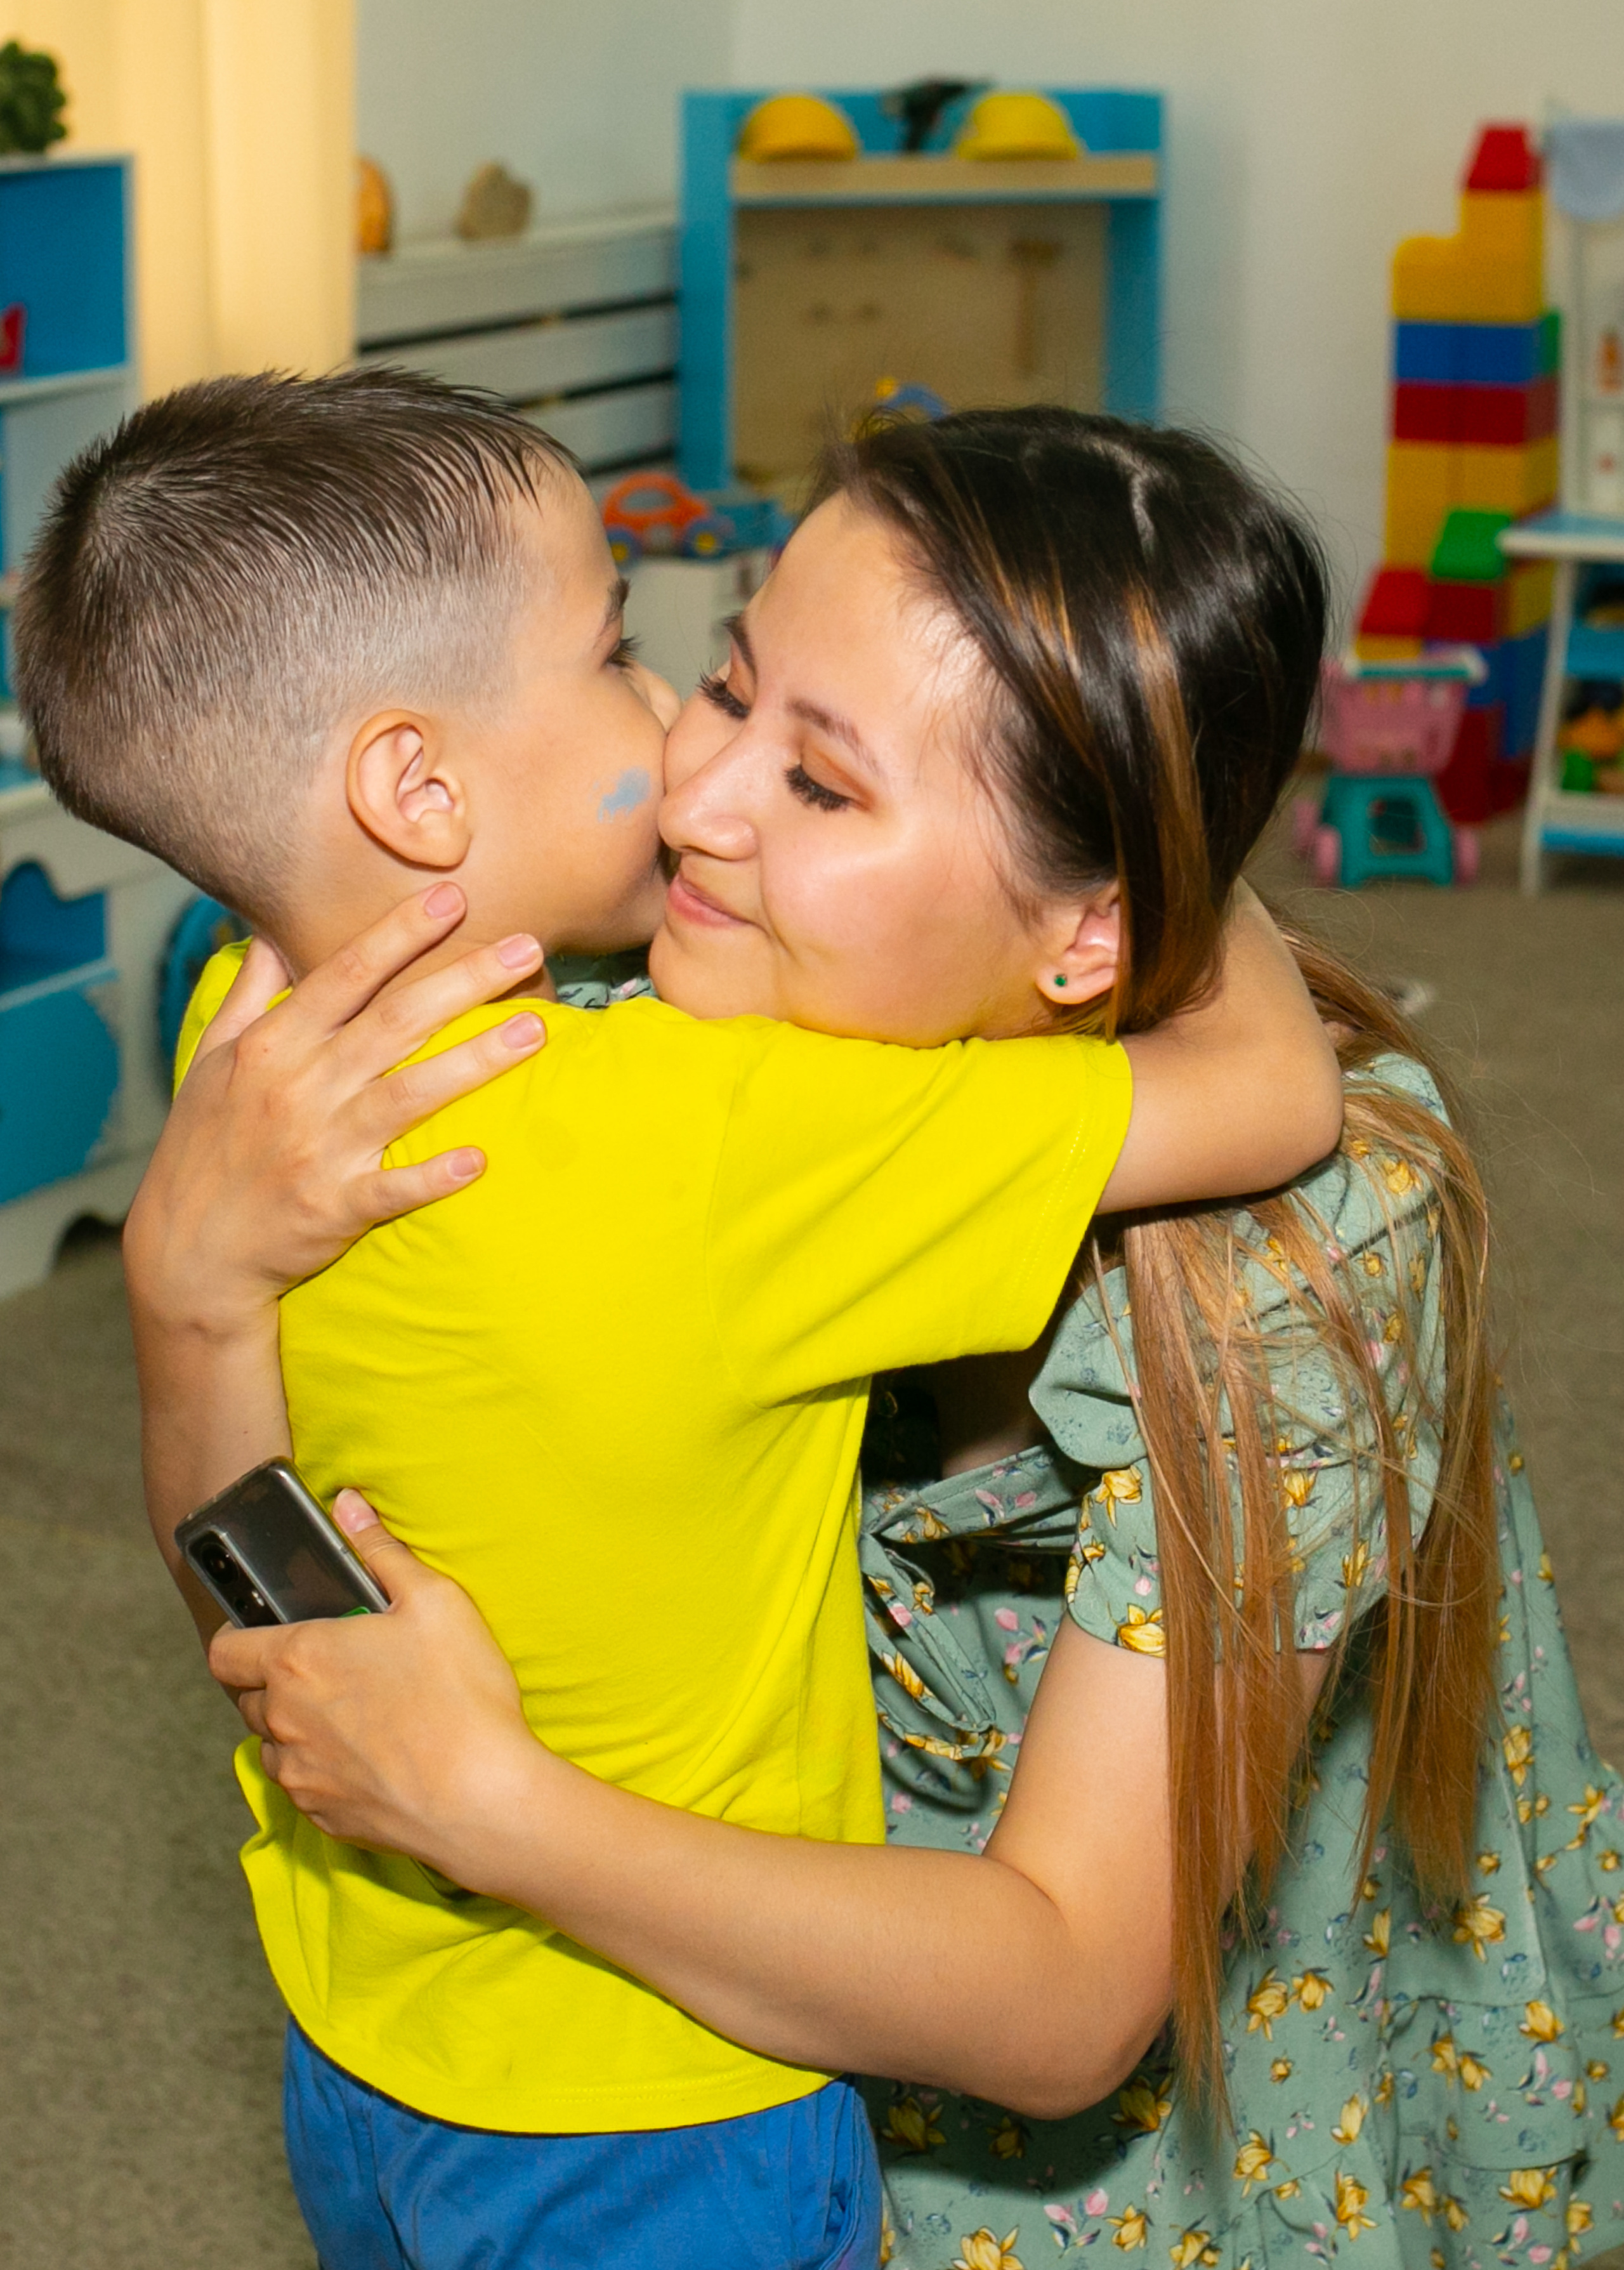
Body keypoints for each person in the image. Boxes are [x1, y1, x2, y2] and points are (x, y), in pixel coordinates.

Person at [136, 407, 1624, 2270]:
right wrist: (190, 1299)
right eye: (722, 676)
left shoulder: (1290, 1268)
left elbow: (1074, 1993)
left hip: (1142, 2091)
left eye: (824, 786)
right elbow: (295, 1651)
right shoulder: (573, 1007)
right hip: (724, 2051)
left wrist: (502, 1808)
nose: (693, 798)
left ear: (1087, 933)